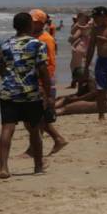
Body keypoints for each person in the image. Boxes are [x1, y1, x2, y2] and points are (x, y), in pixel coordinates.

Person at [0, 12, 53, 178]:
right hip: (31, 93)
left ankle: (3, 168)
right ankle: (38, 167)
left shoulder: (3, 45)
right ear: (30, 25)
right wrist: (48, 94)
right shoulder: (37, 44)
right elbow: (43, 71)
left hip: (8, 92)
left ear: (14, 26)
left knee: (7, 129)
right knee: (34, 130)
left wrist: (11, 75)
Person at [29, 9, 68, 155]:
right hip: (33, 80)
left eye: (33, 21)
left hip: (42, 81)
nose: (30, 23)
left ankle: (57, 139)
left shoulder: (46, 39)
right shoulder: (32, 37)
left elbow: (50, 64)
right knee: (35, 116)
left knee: (37, 117)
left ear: (40, 23)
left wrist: (45, 85)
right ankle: (36, 147)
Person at [68, 12, 92, 89]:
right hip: (86, 47)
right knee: (83, 66)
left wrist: (71, 39)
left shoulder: (81, 28)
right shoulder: (89, 26)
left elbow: (74, 36)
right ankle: (82, 83)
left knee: (75, 67)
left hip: (79, 47)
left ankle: (77, 83)